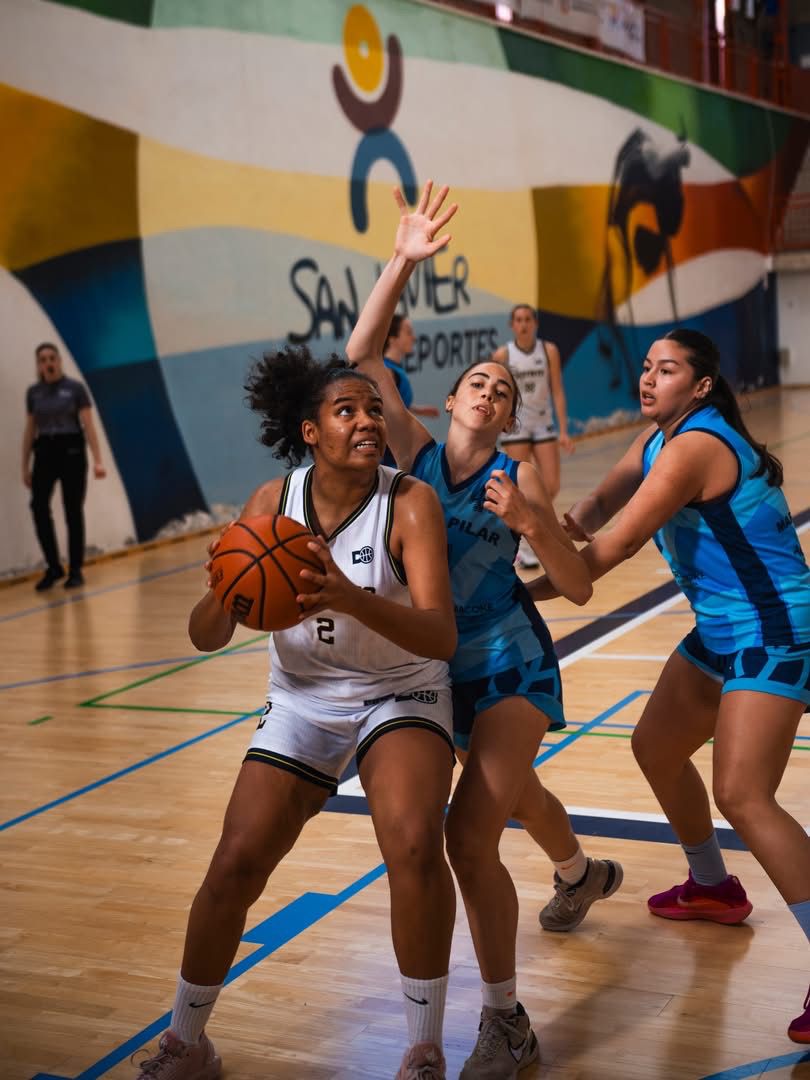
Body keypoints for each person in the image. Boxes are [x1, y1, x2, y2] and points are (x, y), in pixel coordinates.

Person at [349, 181, 624, 1079]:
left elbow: (577, 587)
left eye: (503, 392)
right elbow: (360, 354)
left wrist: (535, 523)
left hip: (510, 663)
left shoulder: (519, 481)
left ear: (509, 417)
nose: (490, 392)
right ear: (452, 397)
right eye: (479, 381)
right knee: (515, 796)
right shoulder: (415, 453)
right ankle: (580, 874)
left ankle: (506, 1021)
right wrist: (402, 260)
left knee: (470, 835)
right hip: (437, 670)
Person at [134, 349, 460, 1080]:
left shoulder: (409, 501)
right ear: (310, 431)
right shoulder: (269, 502)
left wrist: (348, 597)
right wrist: (226, 584)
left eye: (374, 409)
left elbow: (440, 635)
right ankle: (187, 1043)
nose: (368, 421)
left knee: (413, 845)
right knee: (235, 860)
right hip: (305, 696)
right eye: (348, 410)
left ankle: (424, 1047)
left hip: (399, 689)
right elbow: (204, 635)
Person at [530, 328, 810, 1045]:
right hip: (723, 628)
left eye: (668, 369)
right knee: (655, 746)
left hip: (775, 629)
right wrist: (554, 525)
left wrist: (522, 581)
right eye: (647, 367)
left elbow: (611, 550)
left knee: (743, 794)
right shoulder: (660, 438)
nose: (649, 379)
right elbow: (598, 507)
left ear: (702, 385)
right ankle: (712, 887)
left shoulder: (694, 447)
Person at [492, 306, 574, 568]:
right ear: (512, 325)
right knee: (521, 486)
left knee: (551, 485)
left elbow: (557, 390)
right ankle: (524, 545)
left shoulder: (548, 351)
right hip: (516, 426)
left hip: (542, 423)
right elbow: (496, 394)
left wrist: (563, 430)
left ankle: (531, 529)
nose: (524, 324)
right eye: (518, 320)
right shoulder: (503, 354)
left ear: (535, 323)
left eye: (528, 319)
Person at [22, 342, 107, 590]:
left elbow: (89, 425)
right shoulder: (34, 393)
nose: (48, 363)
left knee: (72, 509)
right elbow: (30, 430)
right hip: (45, 451)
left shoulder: (75, 389)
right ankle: (53, 566)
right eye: (43, 360)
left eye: (52, 358)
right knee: (38, 506)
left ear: (59, 361)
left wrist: (98, 460)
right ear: (38, 365)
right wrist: (24, 465)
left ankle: (76, 569)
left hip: (71, 451)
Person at [384, 315, 440, 419]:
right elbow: (387, 412)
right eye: (408, 333)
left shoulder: (394, 368)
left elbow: (398, 405)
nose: (414, 338)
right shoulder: (388, 372)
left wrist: (417, 410)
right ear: (392, 339)